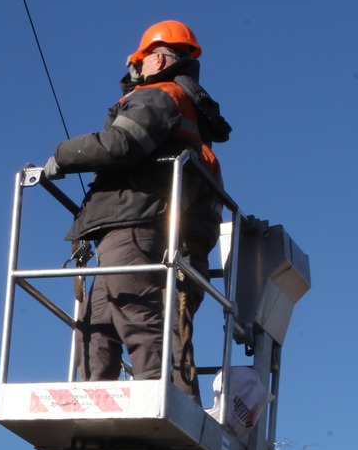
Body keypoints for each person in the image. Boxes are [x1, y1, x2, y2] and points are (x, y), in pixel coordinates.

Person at [43, 20, 233, 392]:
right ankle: (95, 398)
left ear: (158, 60)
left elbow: (121, 144)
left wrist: (63, 156)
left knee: (137, 312)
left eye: (140, 61)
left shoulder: (159, 95)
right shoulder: (188, 115)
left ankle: (158, 396)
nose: (134, 69)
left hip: (133, 221)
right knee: (96, 324)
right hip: (136, 225)